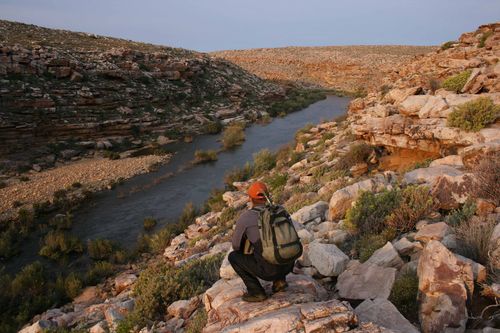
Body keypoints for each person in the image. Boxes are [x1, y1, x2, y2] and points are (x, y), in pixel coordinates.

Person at [228, 181, 295, 302]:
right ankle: (280, 281)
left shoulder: (246, 218)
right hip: (288, 263)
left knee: (233, 257)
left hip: (268, 272)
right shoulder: (281, 210)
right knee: (278, 242)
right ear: (268, 196)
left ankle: (256, 292)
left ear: (250, 198)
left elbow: (236, 246)